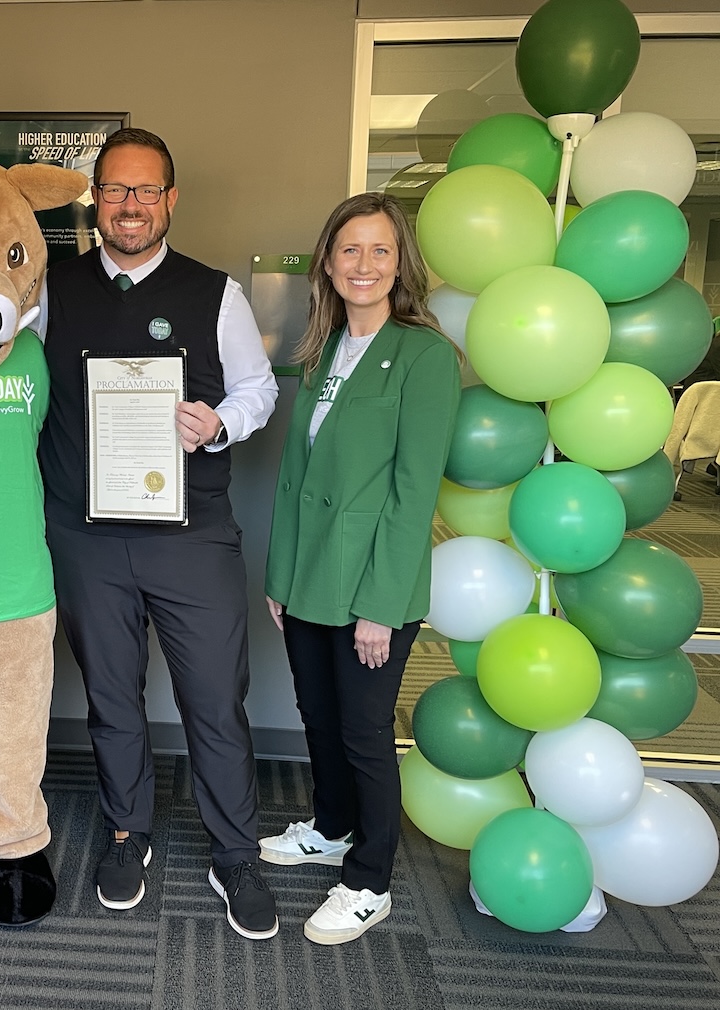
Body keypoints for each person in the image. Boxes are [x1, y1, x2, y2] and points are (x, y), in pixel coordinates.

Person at [38, 128, 280, 940]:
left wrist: (218, 423)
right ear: (94, 200)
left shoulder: (216, 293)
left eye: (146, 191)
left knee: (215, 701)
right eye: (115, 190)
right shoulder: (49, 288)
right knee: (111, 698)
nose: (131, 205)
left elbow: (259, 388)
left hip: (192, 536)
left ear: (171, 199)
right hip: (86, 537)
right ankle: (126, 833)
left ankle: (234, 852)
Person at [260, 192, 461, 945]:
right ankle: (334, 827)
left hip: (371, 585)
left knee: (365, 733)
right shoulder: (324, 347)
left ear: (400, 262)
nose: (365, 264)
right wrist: (281, 577)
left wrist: (381, 605)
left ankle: (369, 879)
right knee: (320, 717)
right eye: (351, 250)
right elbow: (293, 477)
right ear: (329, 263)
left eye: (380, 250)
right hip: (309, 577)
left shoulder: (425, 355)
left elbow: (414, 494)